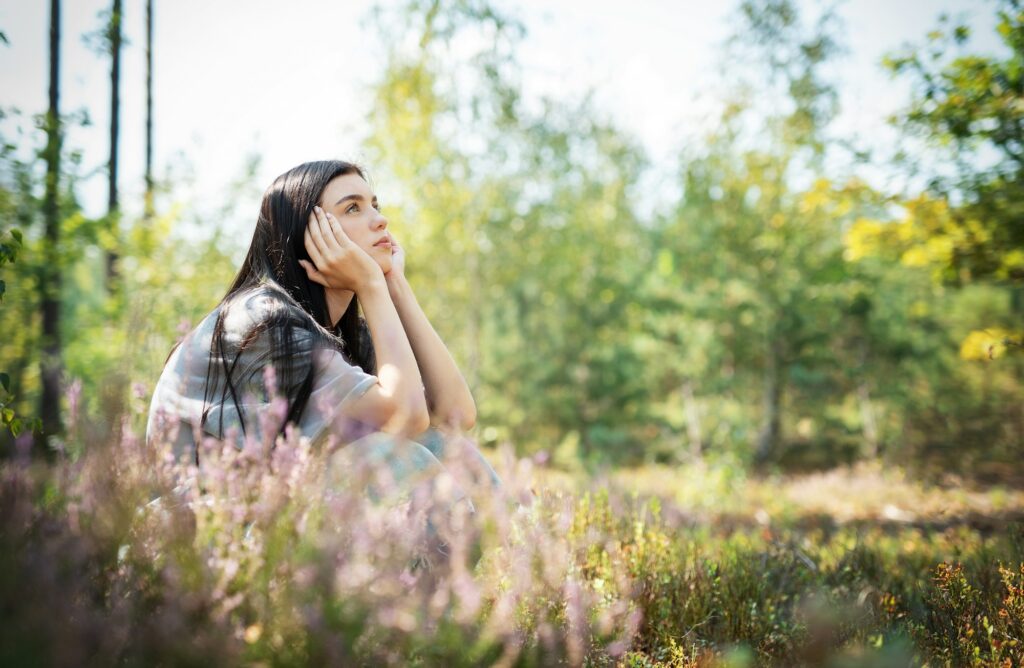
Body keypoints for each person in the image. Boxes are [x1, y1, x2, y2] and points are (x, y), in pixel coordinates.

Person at [145, 160, 500, 509]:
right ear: (309, 236)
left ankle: (515, 561)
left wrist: (397, 287)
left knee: (451, 451)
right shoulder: (262, 321)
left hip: (270, 514)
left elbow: (455, 415)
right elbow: (405, 417)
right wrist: (371, 285)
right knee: (383, 454)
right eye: (353, 208)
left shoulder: (342, 335)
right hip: (204, 534)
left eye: (374, 205)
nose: (381, 219)